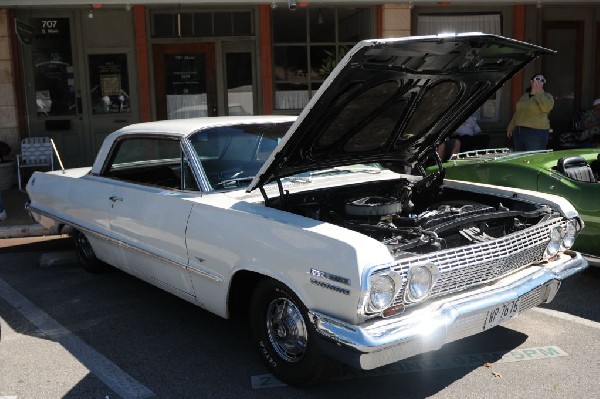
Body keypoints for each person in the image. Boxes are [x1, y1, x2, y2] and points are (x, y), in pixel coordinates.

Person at [506, 74, 555, 151]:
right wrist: (511, 127)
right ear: (531, 82)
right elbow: (518, 112)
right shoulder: (525, 95)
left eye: (542, 80)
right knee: (520, 158)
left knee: (534, 158)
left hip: (536, 132)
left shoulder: (547, 96)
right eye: (537, 79)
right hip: (519, 131)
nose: (539, 81)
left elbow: (546, 108)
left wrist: (538, 93)